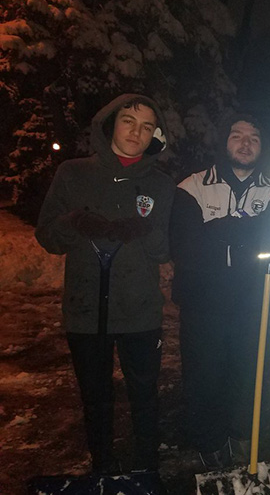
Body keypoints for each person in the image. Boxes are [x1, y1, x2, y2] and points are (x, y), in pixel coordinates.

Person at [35, 94, 175, 473]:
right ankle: (103, 468)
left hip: (140, 311)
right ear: (111, 123)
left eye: (147, 126)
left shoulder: (161, 186)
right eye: (129, 121)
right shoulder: (73, 173)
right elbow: (47, 236)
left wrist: (144, 230)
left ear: (155, 135)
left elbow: (164, 251)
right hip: (86, 311)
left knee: (144, 395)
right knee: (95, 398)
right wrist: (73, 222)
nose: (137, 132)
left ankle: (146, 467)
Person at [169, 114, 270, 469]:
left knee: (249, 376)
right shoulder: (192, 187)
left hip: (255, 302)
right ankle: (209, 443)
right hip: (202, 303)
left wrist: (220, 230)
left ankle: (242, 437)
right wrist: (247, 234)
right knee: (203, 377)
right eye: (237, 135)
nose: (245, 142)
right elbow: (185, 247)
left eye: (253, 136)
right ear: (224, 142)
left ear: (262, 145)